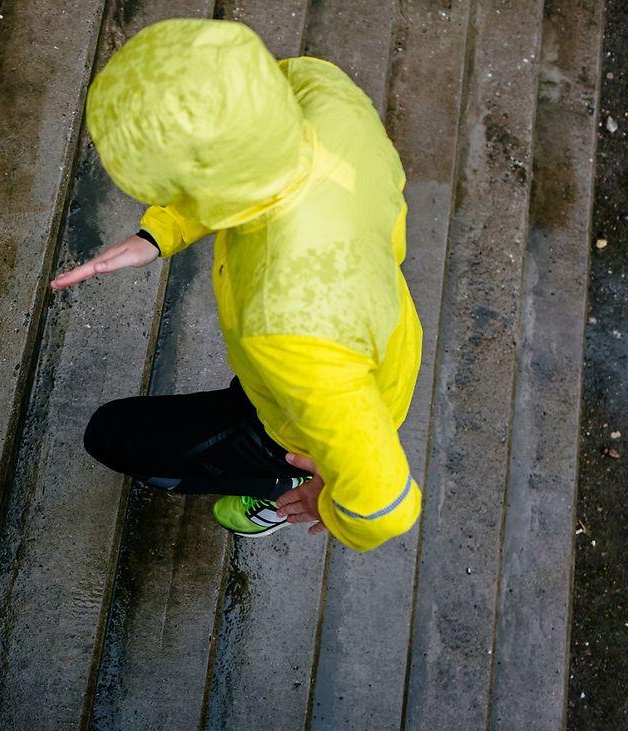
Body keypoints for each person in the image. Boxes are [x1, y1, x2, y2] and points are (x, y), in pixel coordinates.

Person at [50, 18, 422, 552]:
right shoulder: (327, 95)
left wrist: (335, 502)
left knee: (111, 436)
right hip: (381, 336)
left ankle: (281, 484)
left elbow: (386, 506)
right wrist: (161, 232)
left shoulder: (287, 323)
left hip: (300, 419)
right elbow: (252, 150)